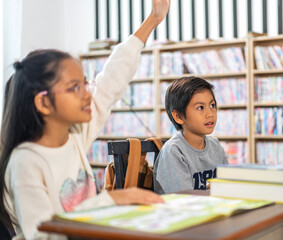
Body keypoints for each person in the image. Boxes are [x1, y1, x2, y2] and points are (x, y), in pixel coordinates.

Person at [0, 0, 170, 239]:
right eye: (74, 88)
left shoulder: (76, 134)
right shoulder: (26, 162)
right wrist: (110, 201)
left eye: (84, 84)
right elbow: (44, 235)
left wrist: (152, 19)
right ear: (44, 103)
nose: (87, 93)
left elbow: (111, 80)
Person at [153, 76, 228, 194]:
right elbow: (184, 200)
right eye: (200, 107)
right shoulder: (174, 150)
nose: (210, 114)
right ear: (178, 116)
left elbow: (226, 187)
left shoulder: (216, 146)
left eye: (212, 105)